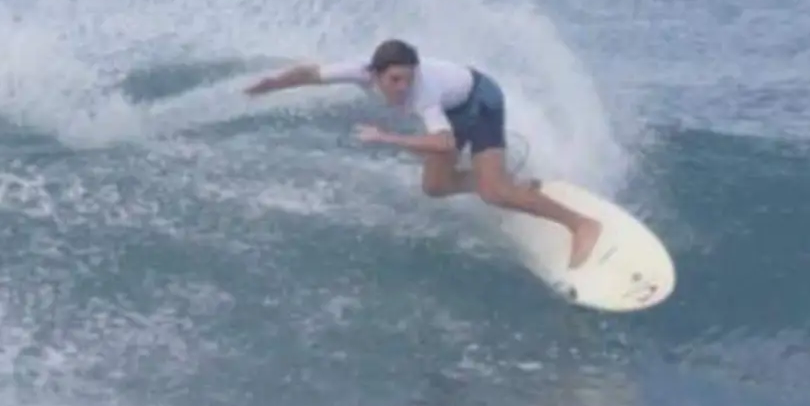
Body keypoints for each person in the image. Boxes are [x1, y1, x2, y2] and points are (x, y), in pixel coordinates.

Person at [244, 38, 601, 269]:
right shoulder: (357, 71)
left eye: (408, 78)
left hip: (480, 101)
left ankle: (581, 225)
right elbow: (311, 72)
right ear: (374, 74)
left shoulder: (423, 94)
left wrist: (387, 138)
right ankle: (512, 182)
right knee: (435, 187)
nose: (402, 87)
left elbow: (443, 143)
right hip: (452, 110)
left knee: (494, 194)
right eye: (394, 80)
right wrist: (274, 84)